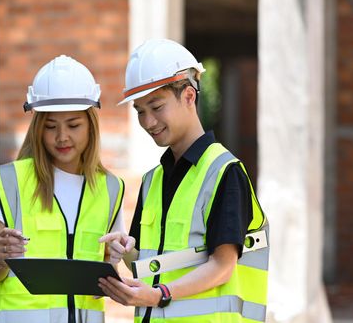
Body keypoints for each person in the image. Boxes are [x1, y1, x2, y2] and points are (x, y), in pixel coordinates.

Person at [98, 38, 269, 322]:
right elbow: (150, 266)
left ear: (189, 96)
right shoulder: (153, 180)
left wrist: (159, 294)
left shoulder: (225, 172)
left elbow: (223, 266)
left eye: (156, 107)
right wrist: (126, 251)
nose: (148, 122)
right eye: (140, 111)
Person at [0, 55, 125, 323]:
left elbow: (103, 276)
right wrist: (1, 259)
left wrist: (116, 261)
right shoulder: (9, 181)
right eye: (50, 126)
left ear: (91, 125)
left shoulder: (111, 187)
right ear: (37, 129)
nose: (62, 137)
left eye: (73, 125)